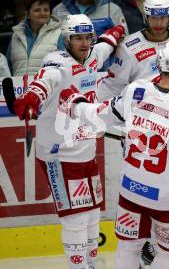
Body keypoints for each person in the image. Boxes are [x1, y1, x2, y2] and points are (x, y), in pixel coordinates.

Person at [61, 42, 169, 269]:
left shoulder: (136, 90)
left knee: (128, 248)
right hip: (168, 200)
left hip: (131, 191)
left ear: (159, 64)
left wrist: (76, 104)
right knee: (168, 255)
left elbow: (102, 114)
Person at [12, 14, 125, 269]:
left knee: (93, 211)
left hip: (84, 151)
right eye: (78, 38)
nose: (84, 43)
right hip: (59, 155)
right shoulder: (57, 63)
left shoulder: (93, 55)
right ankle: (78, 266)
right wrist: (31, 98)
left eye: (88, 37)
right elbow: (45, 81)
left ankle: (91, 262)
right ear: (66, 40)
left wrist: (117, 32)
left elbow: (105, 45)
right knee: (74, 216)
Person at [97, 0, 169, 101]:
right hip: (144, 111)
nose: (159, 23)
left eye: (163, 17)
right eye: (153, 18)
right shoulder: (128, 47)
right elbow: (112, 87)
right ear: (146, 17)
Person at [7, 0, 63, 76]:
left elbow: (66, 66)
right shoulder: (16, 35)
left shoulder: (59, 34)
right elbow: (7, 68)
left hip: (47, 88)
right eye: (37, 10)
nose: (43, 13)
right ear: (28, 14)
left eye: (46, 10)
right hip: (19, 88)